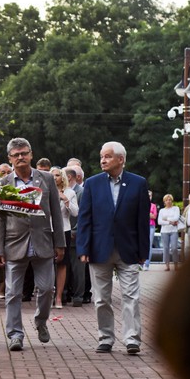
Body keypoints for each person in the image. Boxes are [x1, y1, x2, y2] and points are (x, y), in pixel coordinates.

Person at [0, 137, 65, 352]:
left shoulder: (46, 179)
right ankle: (15, 334)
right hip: (14, 243)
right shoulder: (3, 183)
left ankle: (41, 321)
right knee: (13, 292)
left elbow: (55, 213)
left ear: (31, 154)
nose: (20, 157)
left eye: (24, 153)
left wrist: (59, 242)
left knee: (46, 289)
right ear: (10, 159)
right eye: (16, 155)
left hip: (43, 241)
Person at [77, 141, 149, 354]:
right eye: (101, 156)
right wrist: (83, 248)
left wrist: (143, 252)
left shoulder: (138, 183)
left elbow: (142, 220)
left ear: (121, 159)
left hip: (129, 249)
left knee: (131, 297)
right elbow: (84, 219)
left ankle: (132, 339)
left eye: (107, 156)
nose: (103, 160)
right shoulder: (92, 183)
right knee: (101, 299)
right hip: (99, 249)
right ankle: (106, 338)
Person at [50, 167, 78, 309]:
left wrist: (66, 200)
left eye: (57, 175)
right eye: (51, 175)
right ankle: (47, 296)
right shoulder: (45, 191)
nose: (54, 178)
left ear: (62, 177)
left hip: (63, 230)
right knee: (46, 263)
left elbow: (75, 213)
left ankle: (59, 297)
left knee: (62, 263)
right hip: (47, 230)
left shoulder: (70, 192)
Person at [65, 162, 86, 304]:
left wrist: (76, 230)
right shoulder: (63, 191)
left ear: (70, 177)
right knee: (64, 267)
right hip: (63, 234)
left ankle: (78, 296)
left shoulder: (82, 192)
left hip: (76, 235)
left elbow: (83, 213)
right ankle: (65, 294)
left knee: (78, 269)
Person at [158, 194, 181, 271]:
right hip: (164, 231)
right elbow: (159, 221)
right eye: (167, 200)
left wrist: (166, 219)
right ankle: (167, 266)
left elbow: (176, 218)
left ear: (172, 201)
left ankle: (176, 265)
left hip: (173, 231)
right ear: (164, 201)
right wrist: (170, 222)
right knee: (166, 248)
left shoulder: (176, 208)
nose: (168, 201)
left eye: (170, 200)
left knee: (174, 248)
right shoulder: (161, 210)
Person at [144, 190, 157, 270]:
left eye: (150, 196)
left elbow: (154, 217)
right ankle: (140, 263)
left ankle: (147, 264)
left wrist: (146, 214)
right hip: (142, 226)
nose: (149, 197)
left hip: (151, 226)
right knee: (141, 244)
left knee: (149, 245)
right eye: (147, 195)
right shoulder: (141, 204)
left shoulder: (153, 205)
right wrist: (149, 214)